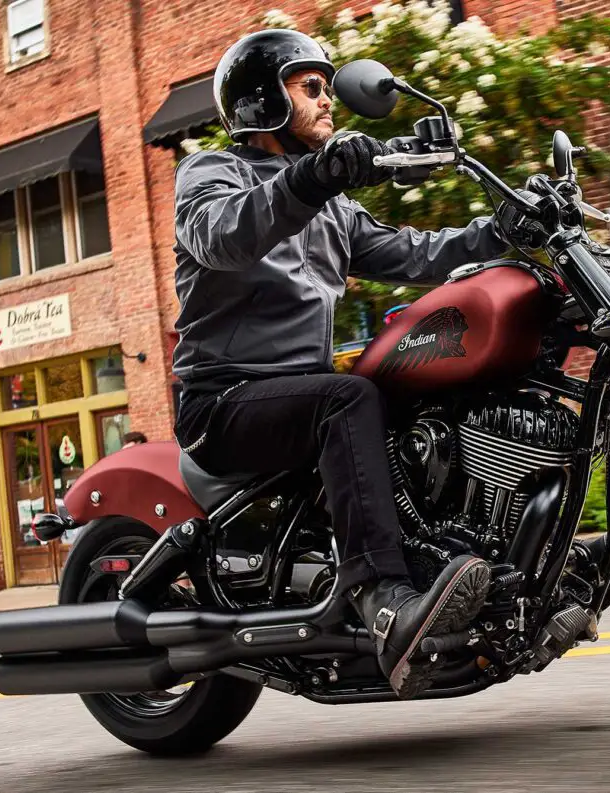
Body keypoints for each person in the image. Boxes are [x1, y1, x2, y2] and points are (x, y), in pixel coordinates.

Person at [171, 29, 508, 699]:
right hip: (224, 402)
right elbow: (225, 237)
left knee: (406, 389)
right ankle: (383, 600)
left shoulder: (334, 207)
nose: (329, 102)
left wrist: (504, 228)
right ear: (264, 99)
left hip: (301, 396)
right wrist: (313, 178)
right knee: (348, 397)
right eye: (312, 88)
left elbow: (415, 253)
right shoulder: (211, 173)